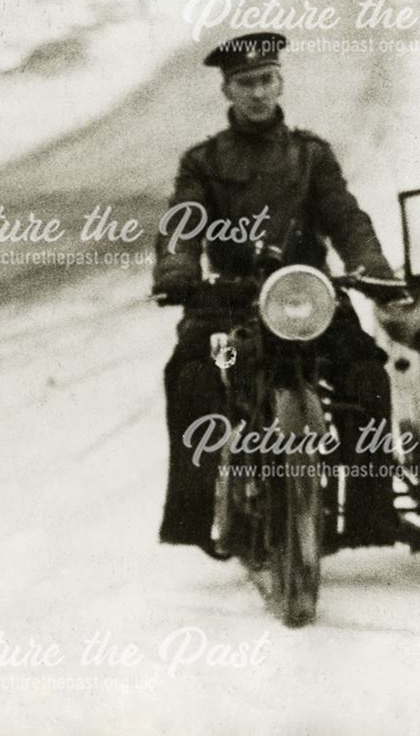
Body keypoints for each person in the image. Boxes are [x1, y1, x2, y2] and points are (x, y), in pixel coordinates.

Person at [152, 31, 399, 557]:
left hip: (307, 294)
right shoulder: (203, 162)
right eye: (245, 83)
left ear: (280, 81)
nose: (257, 93)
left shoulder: (311, 156)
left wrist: (368, 263)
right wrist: (177, 268)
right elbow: (183, 222)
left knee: (366, 374)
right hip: (232, 299)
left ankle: (370, 514)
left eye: (265, 80)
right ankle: (195, 517)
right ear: (227, 91)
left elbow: (345, 216)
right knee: (194, 374)